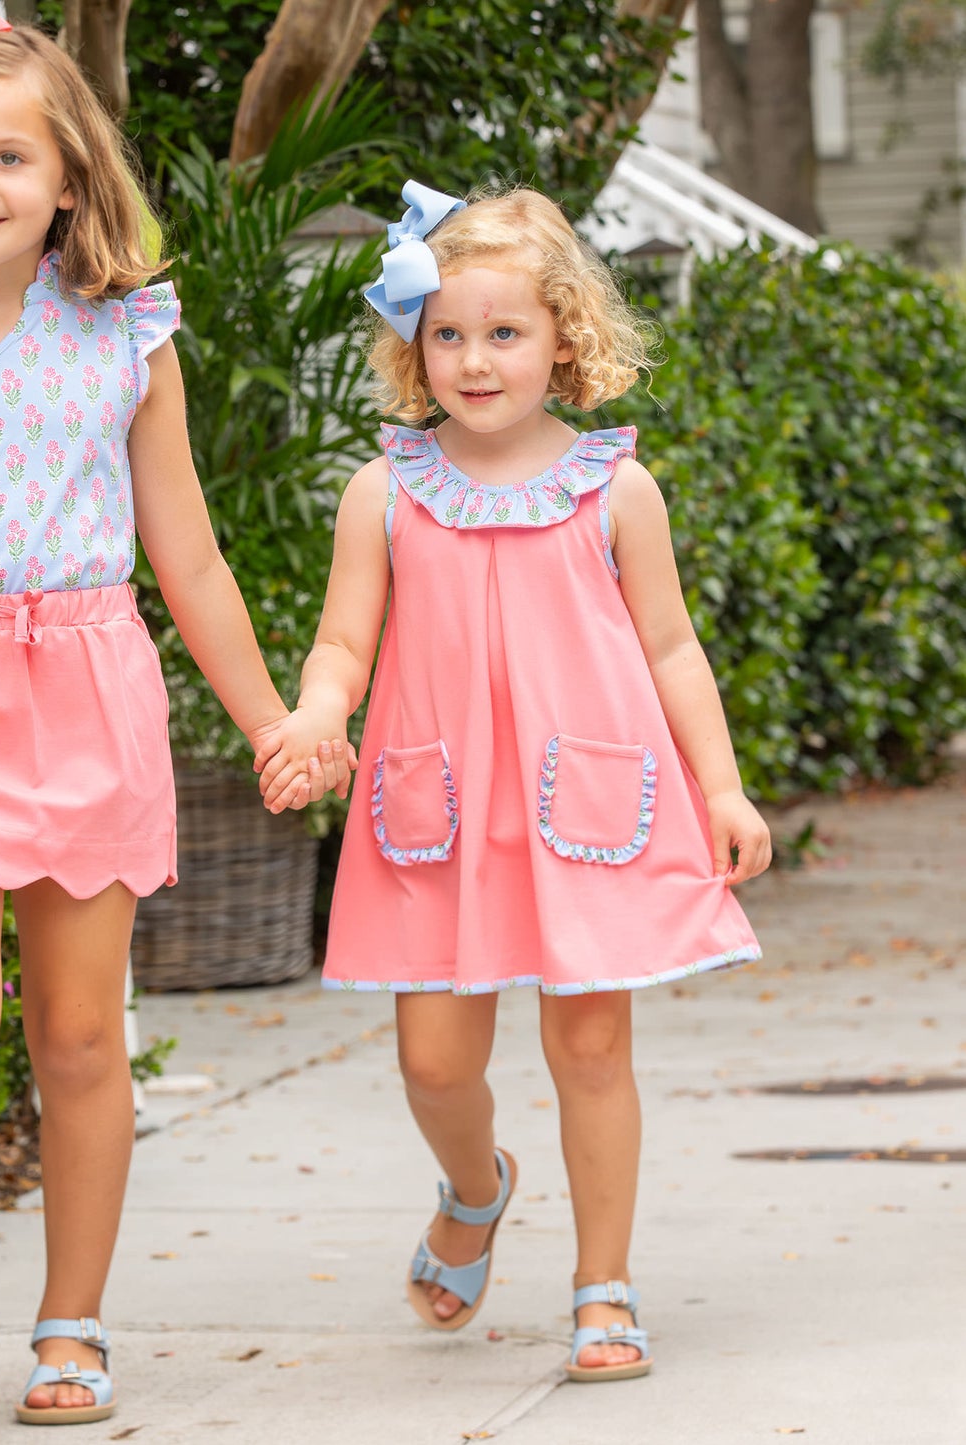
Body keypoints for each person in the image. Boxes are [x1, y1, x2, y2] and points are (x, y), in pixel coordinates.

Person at [0, 2, 342, 1429]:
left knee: (84, 1035)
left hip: (89, 689)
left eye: (8, 159)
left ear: (68, 181)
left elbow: (191, 553)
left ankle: (71, 1326)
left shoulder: (127, 337)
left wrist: (275, 716)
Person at [261, 182, 771, 1381]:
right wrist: (315, 714)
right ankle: (476, 1188)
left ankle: (603, 1284)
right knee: (434, 1062)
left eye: (504, 334)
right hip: (435, 813)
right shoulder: (382, 492)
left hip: (585, 809)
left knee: (591, 1048)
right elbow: (342, 644)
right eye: (447, 333)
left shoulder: (612, 489)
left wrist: (724, 785)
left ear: (563, 339)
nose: (474, 360)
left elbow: (667, 649)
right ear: (411, 344)